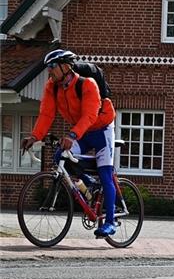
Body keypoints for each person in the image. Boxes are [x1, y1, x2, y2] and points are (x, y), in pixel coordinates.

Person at [21, 49, 118, 237]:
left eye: (52, 67)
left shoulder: (87, 84)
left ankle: (110, 222)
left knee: (105, 172)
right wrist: (34, 136)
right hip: (81, 131)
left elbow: (90, 115)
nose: (49, 71)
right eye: (47, 67)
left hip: (102, 128)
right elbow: (47, 114)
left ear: (65, 66)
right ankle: (89, 184)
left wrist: (72, 135)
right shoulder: (53, 87)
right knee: (60, 156)